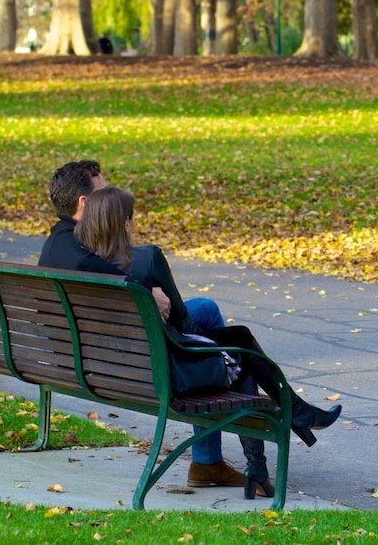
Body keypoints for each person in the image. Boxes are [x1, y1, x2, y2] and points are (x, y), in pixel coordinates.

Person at [75, 187, 342, 499]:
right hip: (172, 372)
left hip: (124, 373)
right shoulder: (146, 259)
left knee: (239, 339)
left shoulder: (85, 268)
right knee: (242, 354)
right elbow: (184, 323)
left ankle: (287, 428)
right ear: (124, 224)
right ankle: (284, 431)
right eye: (131, 219)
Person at [39, 160, 234, 488]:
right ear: (85, 203)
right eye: (106, 194)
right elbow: (140, 299)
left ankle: (210, 451)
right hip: (123, 363)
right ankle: (207, 458)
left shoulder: (57, 245)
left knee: (203, 311)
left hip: (85, 357)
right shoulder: (82, 257)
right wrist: (150, 292)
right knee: (207, 317)